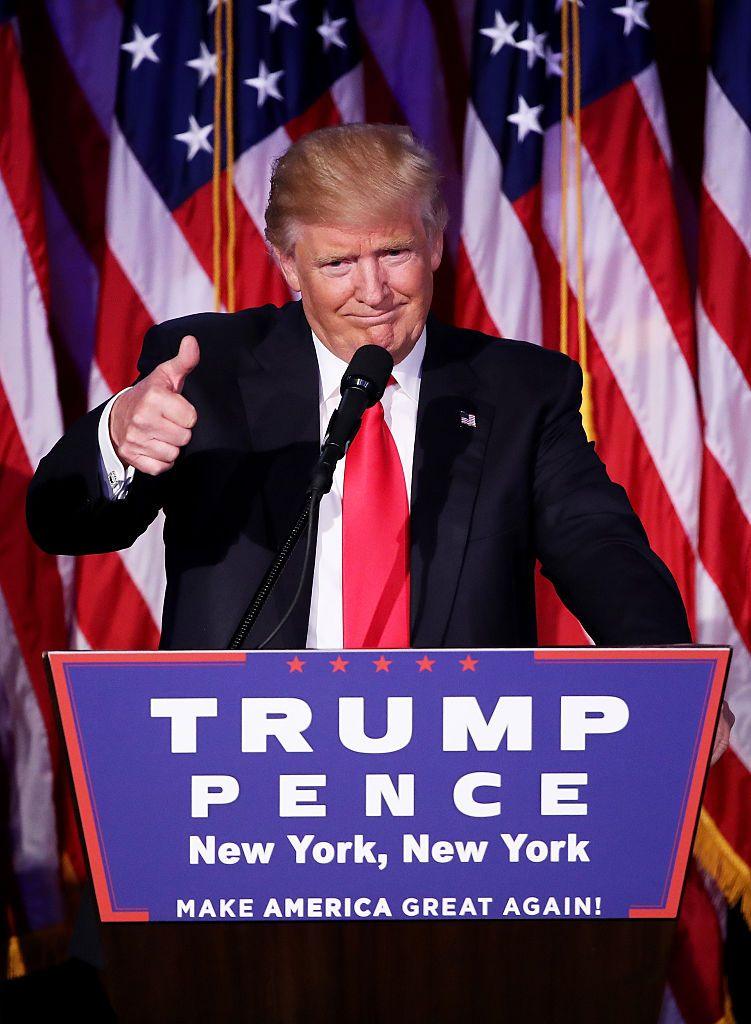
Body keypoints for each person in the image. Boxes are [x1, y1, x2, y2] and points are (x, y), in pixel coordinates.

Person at [25, 122, 732, 759]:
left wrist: (664, 671)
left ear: (434, 242)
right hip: (239, 763)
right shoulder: (211, 369)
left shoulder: (519, 387)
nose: (374, 290)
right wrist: (117, 435)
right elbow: (62, 523)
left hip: (456, 765)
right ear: (287, 263)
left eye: (394, 251)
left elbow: (597, 544)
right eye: (336, 264)